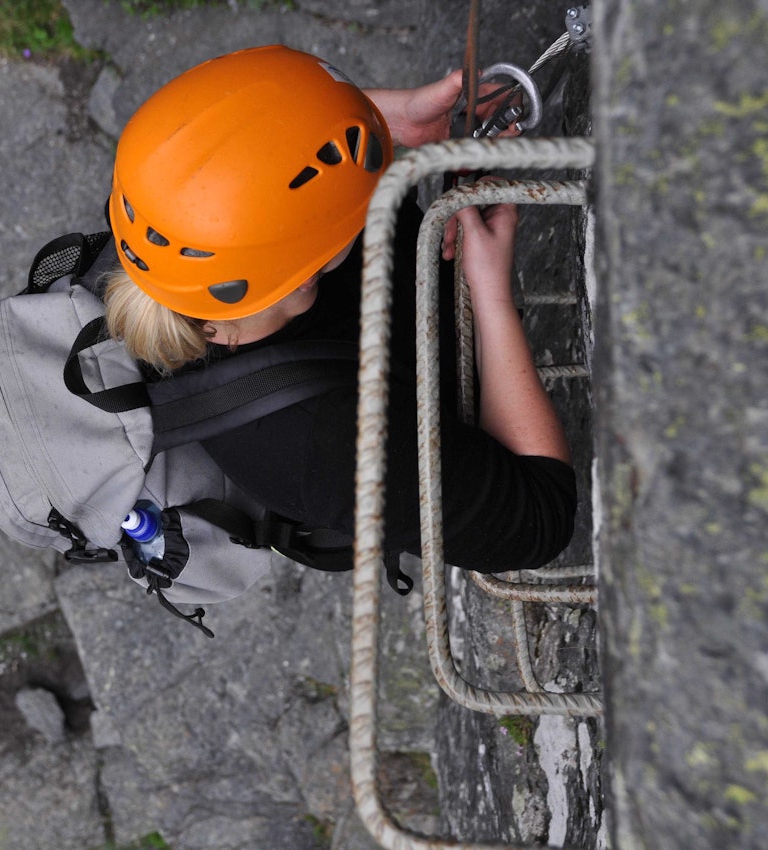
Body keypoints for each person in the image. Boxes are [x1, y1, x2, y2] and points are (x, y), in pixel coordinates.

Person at [102, 45, 576, 574]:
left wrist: (388, 120)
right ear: (307, 274)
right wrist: (488, 294)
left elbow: (250, 153)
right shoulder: (322, 448)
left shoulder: (164, 208)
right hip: (410, 417)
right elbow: (542, 517)